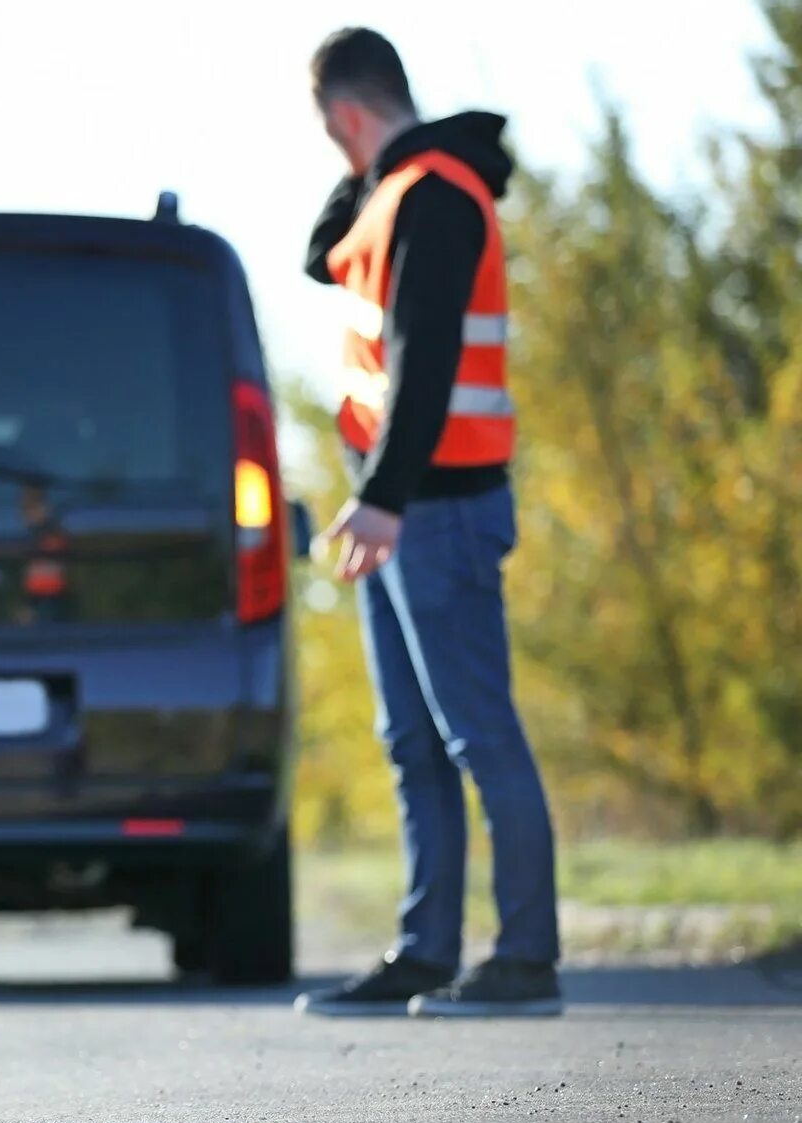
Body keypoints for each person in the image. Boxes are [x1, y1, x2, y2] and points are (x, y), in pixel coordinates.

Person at [294, 27, 562, 1017]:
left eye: (333, 134)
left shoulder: (440, 199)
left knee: (477, 732)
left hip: (432, 508)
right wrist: (375, 152)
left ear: (348, 117)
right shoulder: (399, 190)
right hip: (401, 503)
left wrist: (384, 498)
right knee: (411, 735)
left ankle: (527, 959)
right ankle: (425, 950)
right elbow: (320, 255)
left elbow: (427, 363)